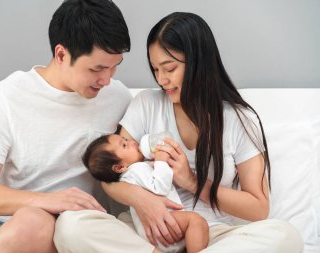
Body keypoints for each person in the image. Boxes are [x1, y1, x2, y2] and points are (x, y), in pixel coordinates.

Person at [54, 12, 304, 253]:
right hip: (146, 233)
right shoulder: (147, 104)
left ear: (199, 63)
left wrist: (191, 181)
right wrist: (144, 202)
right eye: (155, 69)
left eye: (169, 68)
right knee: (70, 226)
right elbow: (110, 175)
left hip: (211, 233)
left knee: (285, 237)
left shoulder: (240, 120)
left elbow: (258, 208)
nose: (161, 79)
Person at [0, 0, 132, 252]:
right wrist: (47, 201)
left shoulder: (119, 99)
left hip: (57, 229)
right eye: (97, 68)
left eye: (114, 67)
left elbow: (135, 166)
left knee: (34, 221)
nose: (107, 79)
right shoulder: (7, 97)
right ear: (61, 54)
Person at [82, 133, 209, 253]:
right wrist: (161, 162)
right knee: (196, 221)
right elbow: (160, 187)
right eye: (125, 145)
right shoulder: (136, 169)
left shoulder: (131, 176)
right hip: (162, 226)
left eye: (126, 140)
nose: (132, 142)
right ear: (120, 167)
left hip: (155, 232)